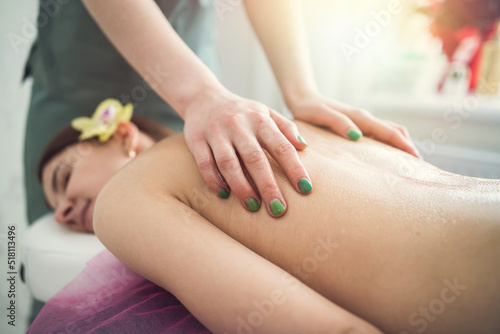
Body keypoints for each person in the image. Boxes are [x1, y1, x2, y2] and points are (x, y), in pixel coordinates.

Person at [38, 100, 500, 334]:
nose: (60, 210)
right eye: (53, 207)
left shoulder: (126, 197)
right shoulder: (282, 117)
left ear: (121, 133)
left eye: (63, 175)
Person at [24, 0, 420, 226]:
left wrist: (300, 91)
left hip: (189, 61)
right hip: (76, 74)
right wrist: (199, 95)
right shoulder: (66, 172)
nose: (62, 213)